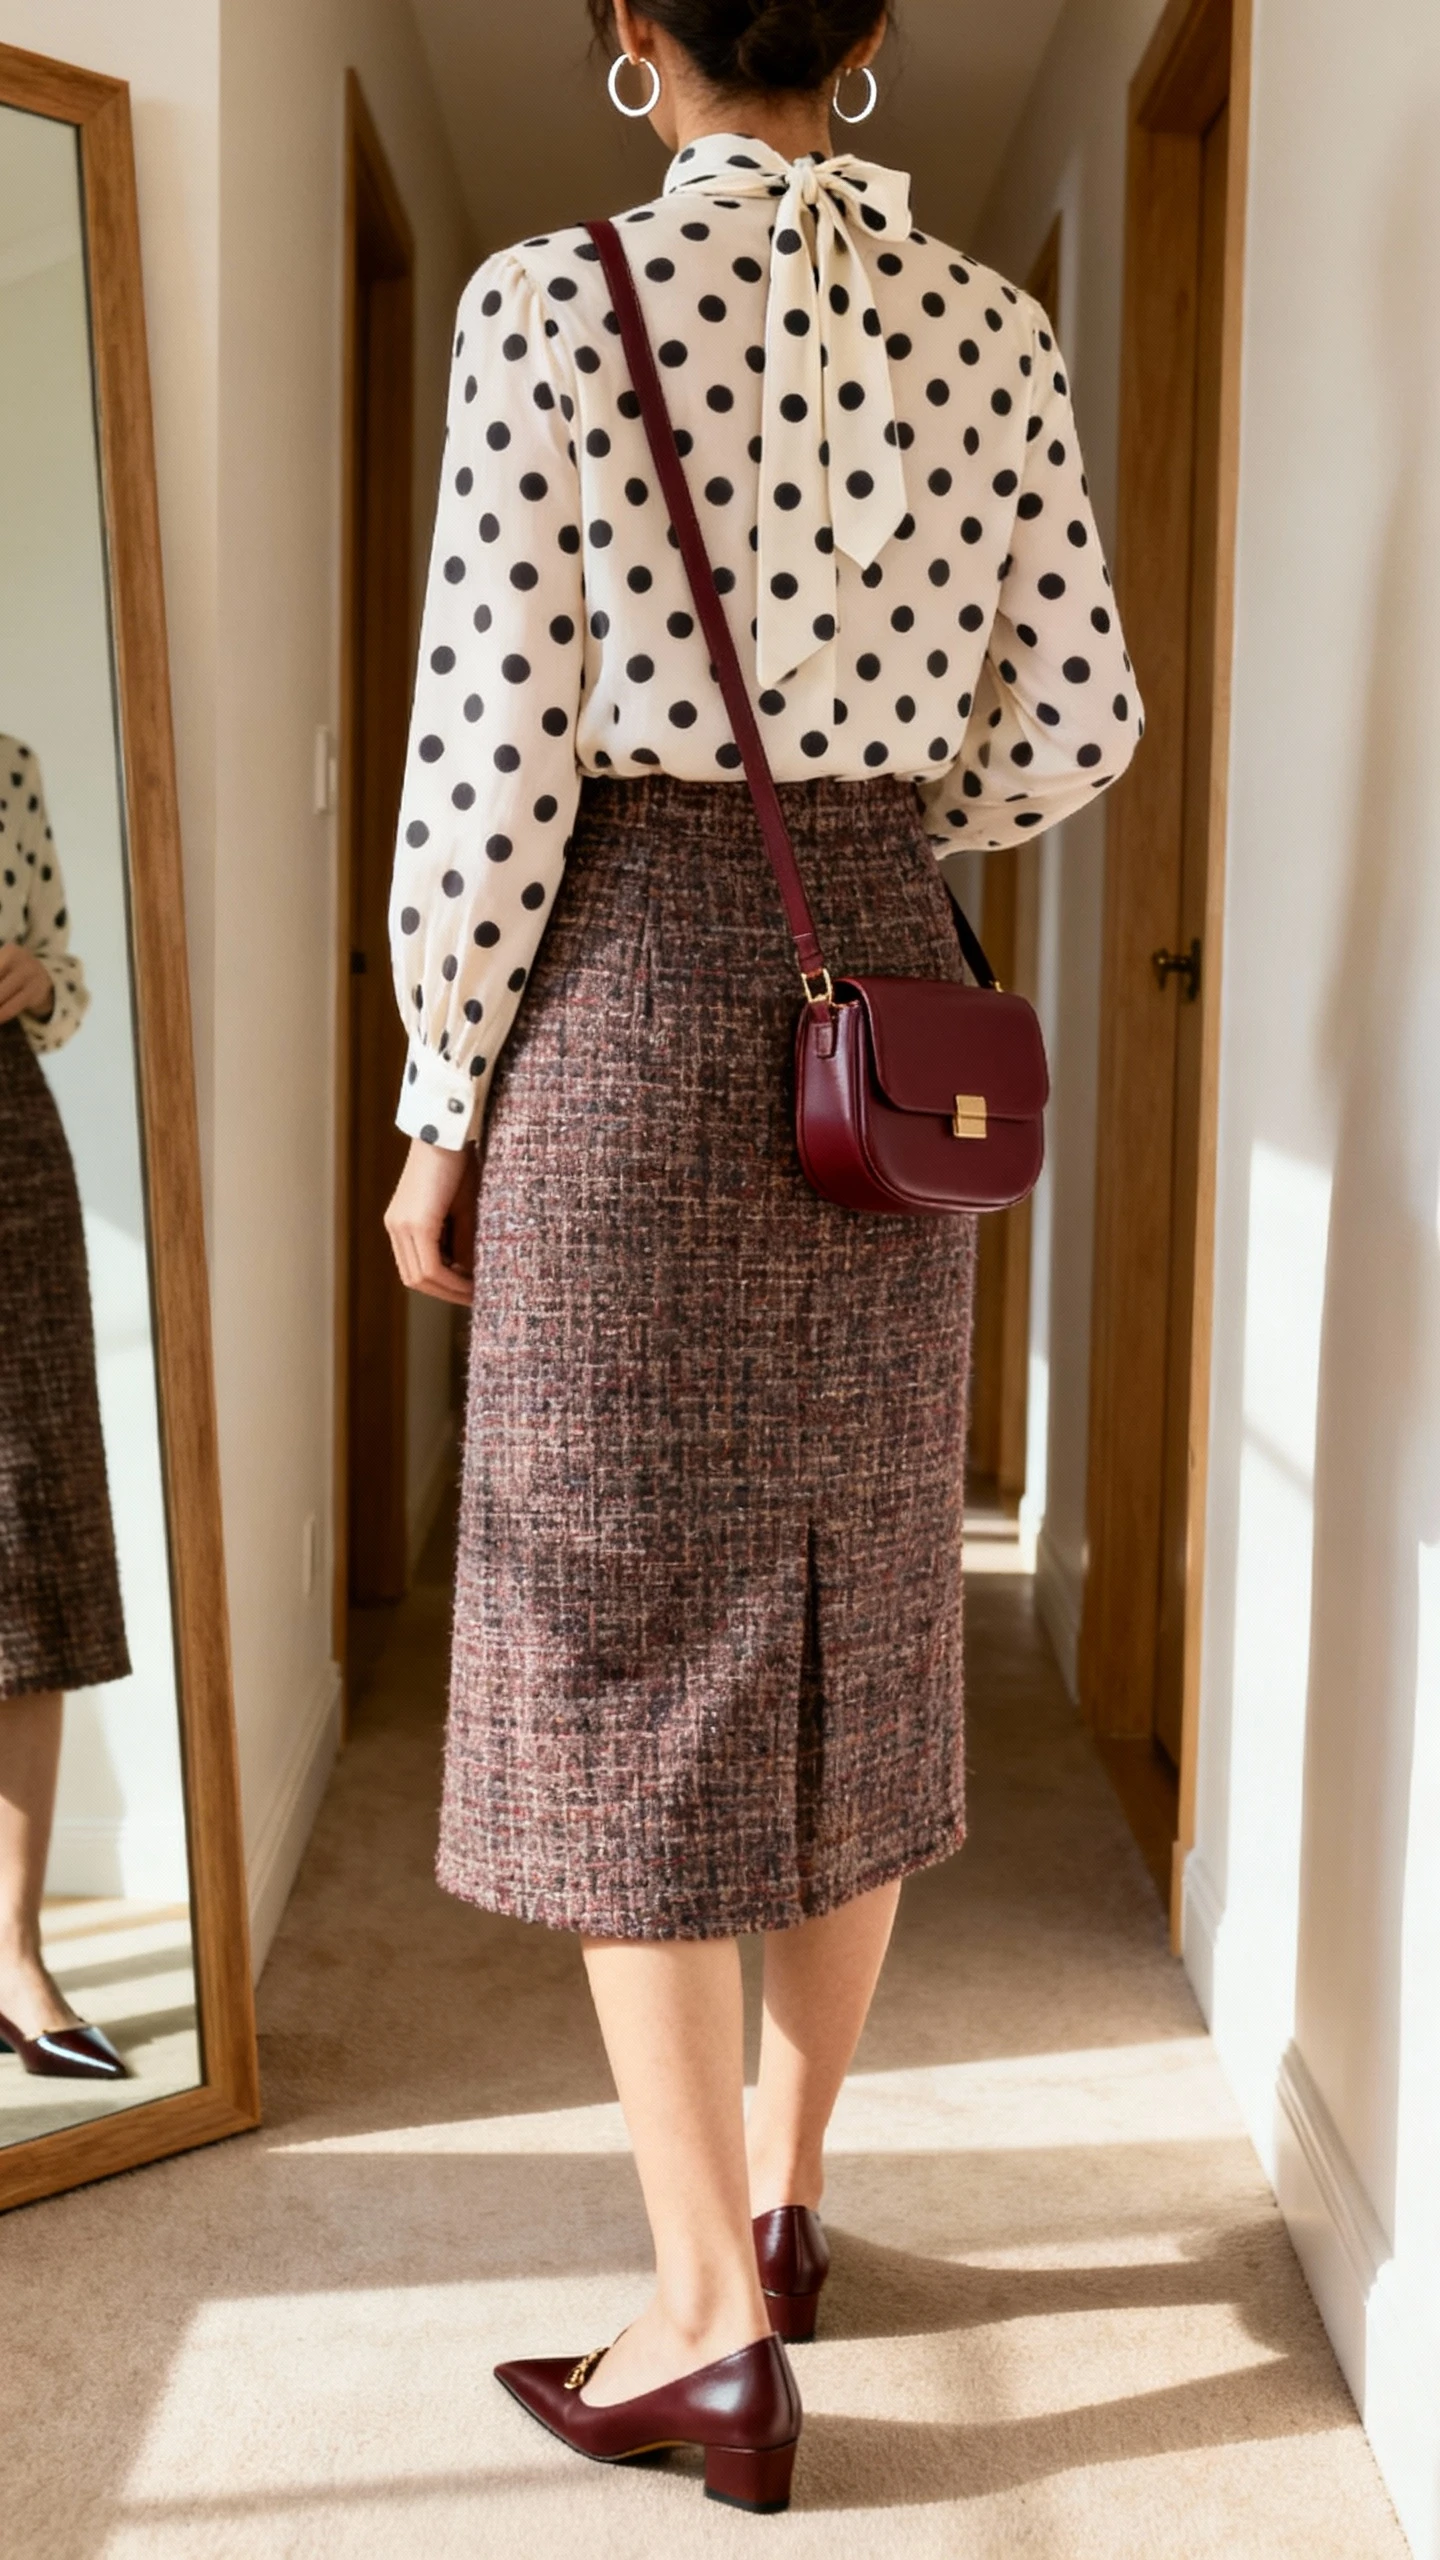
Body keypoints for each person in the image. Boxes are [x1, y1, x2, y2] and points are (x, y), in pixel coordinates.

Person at [384, 0, 1140, 2509]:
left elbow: (491, 763)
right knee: (856, 1605)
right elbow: (1082, 720)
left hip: (622, 997)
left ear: (632, 26)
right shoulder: (994, 327)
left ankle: (704, 2318)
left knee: (628, 1643)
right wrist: (892, 809)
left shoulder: (550, 303)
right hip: (886, 1010)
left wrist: (437, 1100)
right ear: (877, 31)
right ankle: (789, 2206)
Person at [0, 735, 129, 2082]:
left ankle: (13, 1959)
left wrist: (42, 981)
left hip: (10, 1158)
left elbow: (66, 975)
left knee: (26, 1560)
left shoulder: (5, 769)